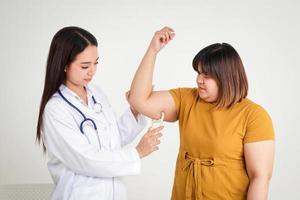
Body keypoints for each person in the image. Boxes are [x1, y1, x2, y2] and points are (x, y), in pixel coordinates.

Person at [128, 26, 275, 200]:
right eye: (198, 72)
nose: (199, 79)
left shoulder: (254, 116)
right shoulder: (187, 99)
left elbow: (260, 178)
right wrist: (153, 50)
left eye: (207, 75)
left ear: (226, 77)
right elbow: (138, 100)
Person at [36, 26, 163, 200]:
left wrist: (134, 110)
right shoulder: (55, 110)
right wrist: (137, 152)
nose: (92, 71)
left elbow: (111, 140)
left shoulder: (96, 93)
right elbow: (86, 159)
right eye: (85, 66)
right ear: (65, 65)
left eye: (96, 63)